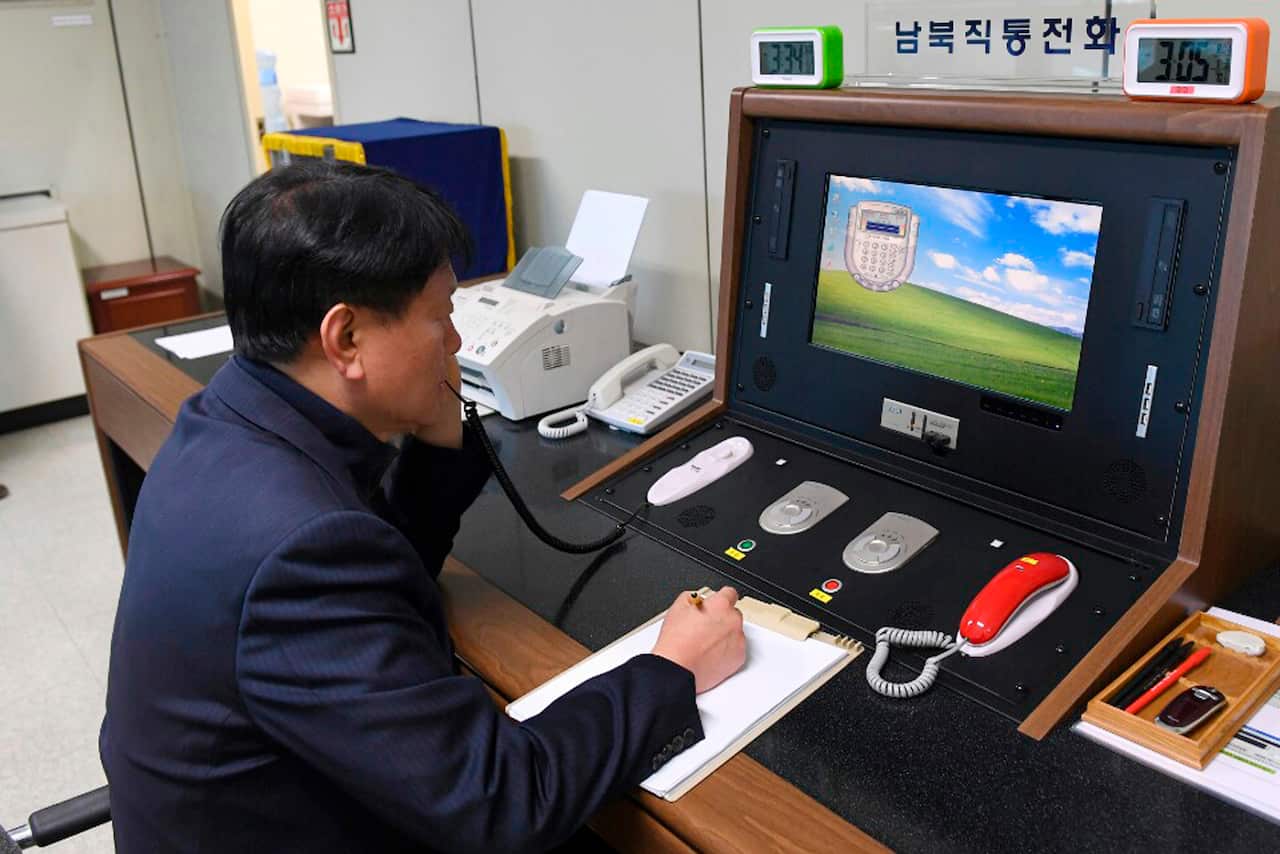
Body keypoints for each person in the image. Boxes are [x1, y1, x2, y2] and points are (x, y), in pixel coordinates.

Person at [100, 159, 747, 853]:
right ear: (345, 339)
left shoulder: (227, 418)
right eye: (442, 317)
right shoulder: (302, 548)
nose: (458, 344)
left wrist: (442, 442)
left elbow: (371, 583)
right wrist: (672, 669)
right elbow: (502, 800)